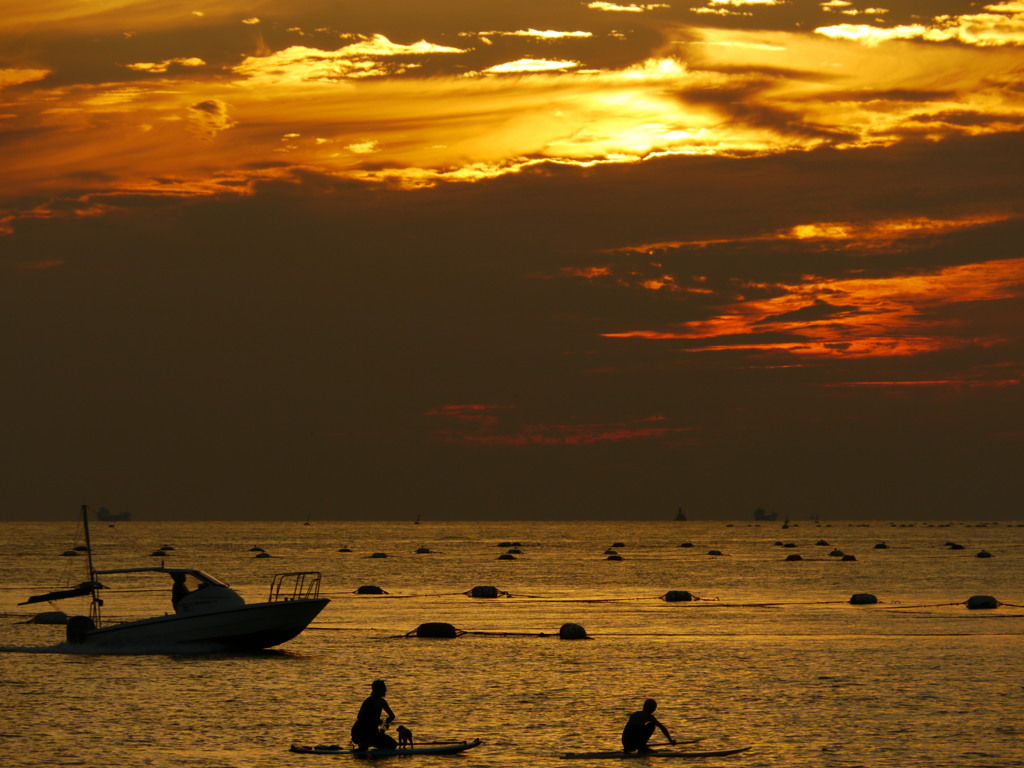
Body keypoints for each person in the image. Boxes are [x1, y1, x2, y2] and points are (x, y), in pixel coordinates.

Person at [351, 680, 398, 751]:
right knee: (393, 744)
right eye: (384, 688)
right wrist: (383, 723)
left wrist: (384, 723)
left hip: (358, 733)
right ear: (379, 689)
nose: (386, 690)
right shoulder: (381, 701)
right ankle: (367, 745)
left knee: (376, 739)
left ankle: (365, 745)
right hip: (364, 733)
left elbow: (391, 717)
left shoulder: (367, 700)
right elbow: (392, 716)